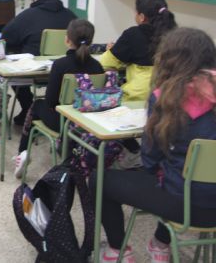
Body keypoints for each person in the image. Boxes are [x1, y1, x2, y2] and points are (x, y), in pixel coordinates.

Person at [93, 27, 216, 263]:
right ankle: (160, 244)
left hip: (185, 206)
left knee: (101, 179)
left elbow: (149, 159)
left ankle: (117, 249)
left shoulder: (166, 96)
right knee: (175, 174)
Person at [12, 19, 104, 178]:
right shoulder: (97, 66)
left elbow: (50, 101)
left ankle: (22, 153)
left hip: (64, 123)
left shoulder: (60, 65)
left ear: (67, 40)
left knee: (36, 105)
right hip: (88, 124)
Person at [2, 0, 77, 124]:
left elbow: (6, 37)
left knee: (14, 74)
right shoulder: (70, 15)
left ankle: (27, 108)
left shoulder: (27, 16)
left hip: (33, 68)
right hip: (64, 68)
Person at [100, 0, 177, 101]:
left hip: (137, 98)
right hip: (167, 98)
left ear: (141, 17)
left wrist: (111, 50)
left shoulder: (133, 34)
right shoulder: (176, 36)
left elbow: (105, 63)